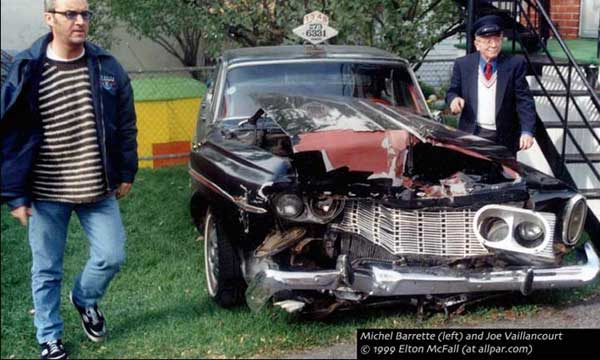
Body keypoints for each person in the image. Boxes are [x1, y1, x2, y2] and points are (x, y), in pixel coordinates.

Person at [0, 0, 137, 358]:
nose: (80, 21)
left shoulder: (106, 66)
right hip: (46, 193)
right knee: (46, 269)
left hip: (97, 187)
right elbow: (11, 134)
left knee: (112, 255)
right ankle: (49, 336)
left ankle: (85, 299)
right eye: (70, 14)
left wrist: (126, 171)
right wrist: (15, 194)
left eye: (85, 14)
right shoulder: (28, 67)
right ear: (49, 19)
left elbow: (125, 123)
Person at [445, 15, 536, 155]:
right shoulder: (463, 64)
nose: (493, 45)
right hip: (472, 133)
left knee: (503, 175)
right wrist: (453, 99)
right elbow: (452, 91)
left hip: (504, 137)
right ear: (477, 44)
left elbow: (524, 100)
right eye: (488, 41)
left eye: (497, 40)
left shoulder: (515, 64)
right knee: (473, 174)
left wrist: (527, 131)